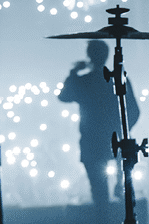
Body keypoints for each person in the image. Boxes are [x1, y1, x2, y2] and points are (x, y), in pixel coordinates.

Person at [59, 40, 139, 206]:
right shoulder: (118, 79)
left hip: (91, 143)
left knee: (99, 195)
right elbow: (135, 111)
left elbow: (63, 96)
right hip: (117, 141)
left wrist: (73, 73)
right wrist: (123, 131)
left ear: (89, 56)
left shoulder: (84, 82)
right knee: (124, 196)